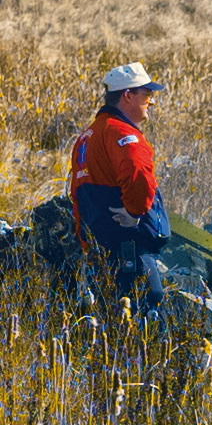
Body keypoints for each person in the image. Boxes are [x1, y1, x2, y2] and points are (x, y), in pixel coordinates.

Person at [70, 62, 171, 310]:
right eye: (146, 95)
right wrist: (135, 213)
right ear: (128, 95)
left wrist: (86, 242)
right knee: (146, 310)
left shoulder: (86, 137)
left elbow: (76, 196)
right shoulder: (123, 133)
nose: (152, 102)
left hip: (99, 251)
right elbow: (138, 177)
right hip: (129, 249)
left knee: (108, 317)